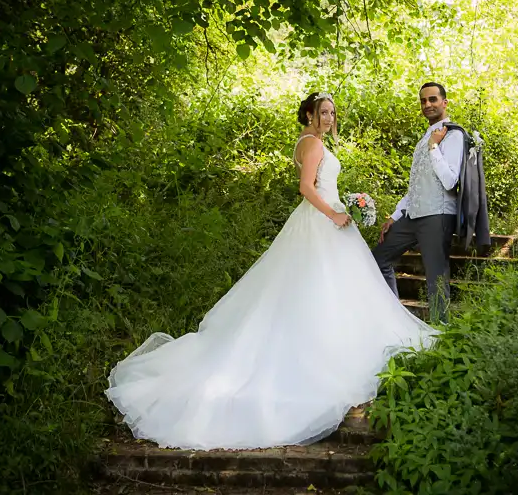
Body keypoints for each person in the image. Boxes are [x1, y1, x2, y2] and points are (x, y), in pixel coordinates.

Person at [105, 92, 438, 451]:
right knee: (315, 286)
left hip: (331, 221)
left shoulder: (317, 143)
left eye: (332, 112)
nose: (329, 117)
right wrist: (335, 213)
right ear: (310, 114)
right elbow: (306, 187)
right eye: (323, 112)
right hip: (320, 223)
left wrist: (349, 207)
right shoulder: (310, 143)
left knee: (336, 289)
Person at [372, 82, 464, 323]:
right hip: (413, 214)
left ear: (444, 102)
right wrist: (395, 214)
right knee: (379, 259)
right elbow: (417, 184)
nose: (427, 105)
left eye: (433, 99)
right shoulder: (426, 135)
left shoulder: (453, 134)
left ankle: (440, 334)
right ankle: (394, 319)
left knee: (437, 278)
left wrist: (434, 146)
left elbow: (449, 180)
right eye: (423, 101)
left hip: (438, 214)